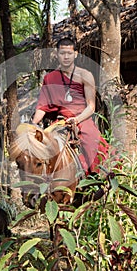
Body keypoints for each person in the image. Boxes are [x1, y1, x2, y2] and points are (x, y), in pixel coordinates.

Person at [31, 37, 108, 174]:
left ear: (75, 54)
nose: (66, 57)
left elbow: (91, 107)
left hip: (82, 120)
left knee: (92, 141)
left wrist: (77, 119)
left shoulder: (86, 75)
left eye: (69, 53)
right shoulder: (50, 78)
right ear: (57, 54)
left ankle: (96, 178)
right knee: (44, 145)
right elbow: (42, 106)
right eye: (62, 53)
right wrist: (32, 124)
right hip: (60, 121)